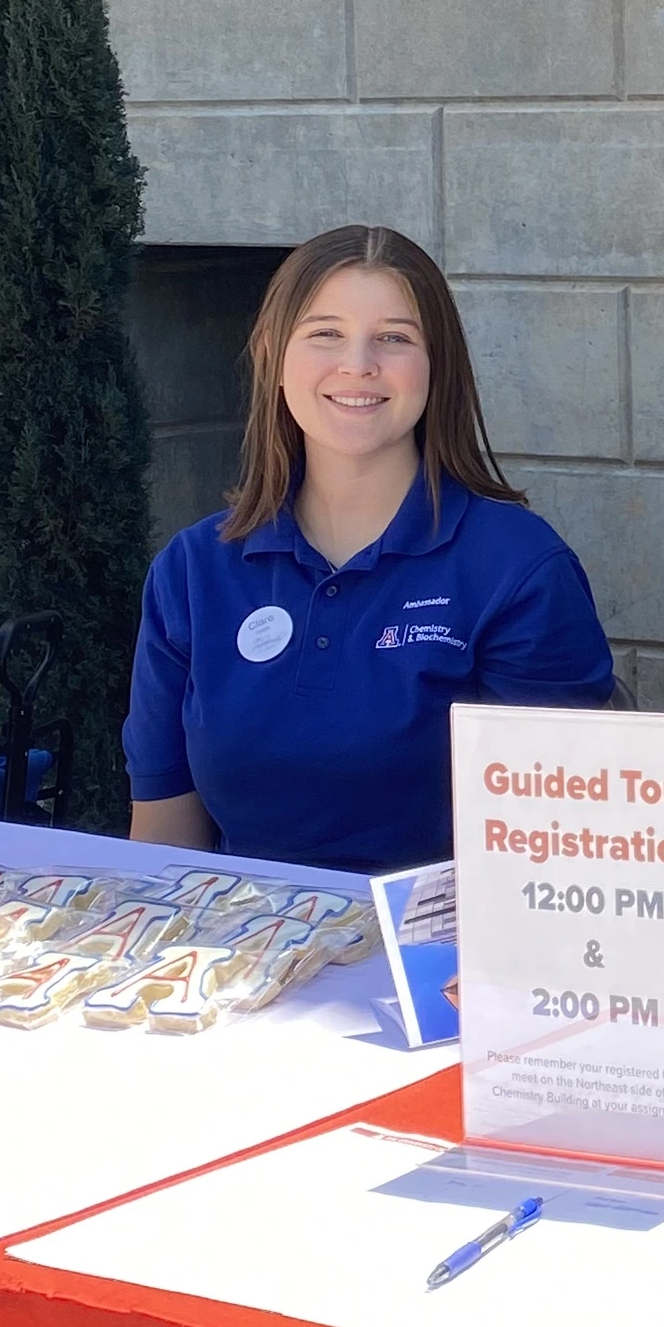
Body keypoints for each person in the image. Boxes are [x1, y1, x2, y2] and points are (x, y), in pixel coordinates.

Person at [126, 224, 615, 877]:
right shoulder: (193, 572)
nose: (358, 363)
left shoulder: (517, 571)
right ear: (273, 356)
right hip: (245, 957)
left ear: (436, 366)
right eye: (325, 332)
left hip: (438, 966)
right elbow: (162, 846)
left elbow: (559, 864)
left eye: (394, 338)